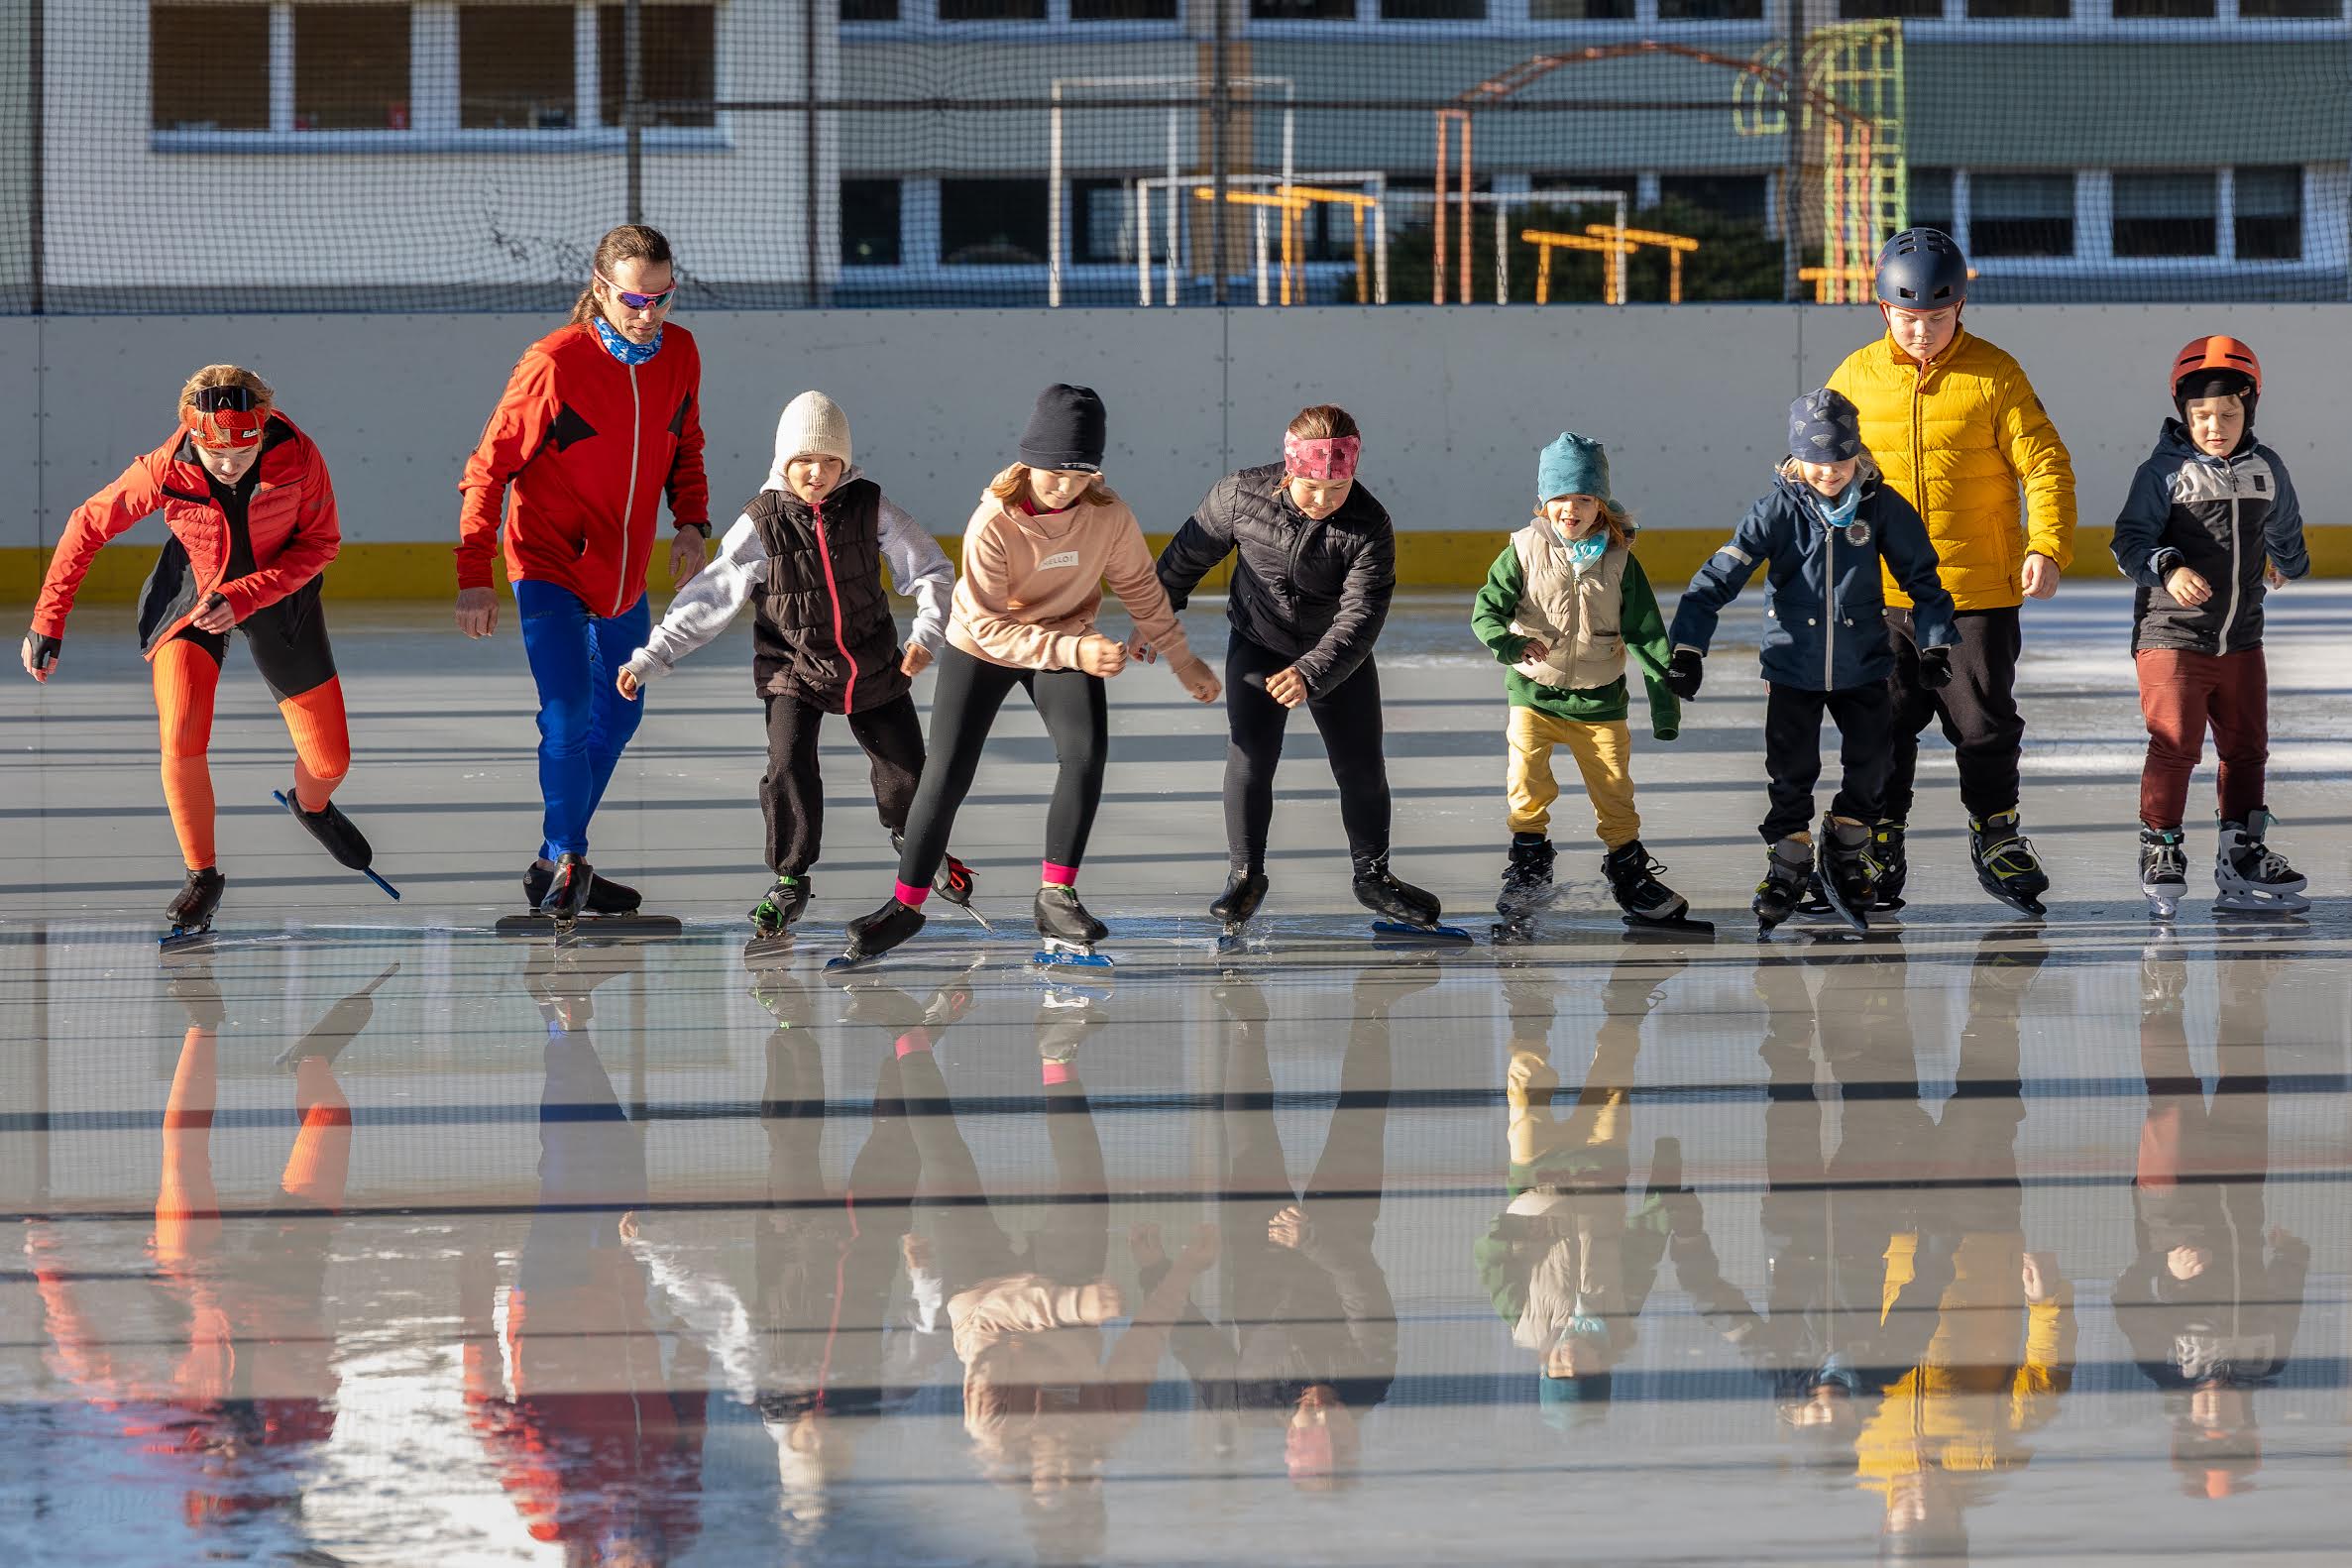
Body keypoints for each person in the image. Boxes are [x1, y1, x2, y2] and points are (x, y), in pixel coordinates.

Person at [840, 385, 1221, 965]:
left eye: (1079, 473)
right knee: (945, 774)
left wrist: (1181, 656)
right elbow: (990, 626)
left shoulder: (1108, 516)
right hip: (984, 645)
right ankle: (906, 905)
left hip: (1066, 637)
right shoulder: (994, 520)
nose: (1064, 485)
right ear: (1028, 461)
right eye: (1051, 471)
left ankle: (1057, 894)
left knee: (1085, 754)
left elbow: (1142, 587)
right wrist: (1074, 652)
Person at [22, 365, 371, 938]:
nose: (231, 464)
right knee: (181, 729)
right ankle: (202, 876)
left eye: (245, 448)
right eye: (215, 454)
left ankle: (311, 807)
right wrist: (48, 619)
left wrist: (249, 593)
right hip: (192, 594)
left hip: (279, 594)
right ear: (193, 436)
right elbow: (87, 524)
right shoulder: (166, 465)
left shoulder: (300, 456)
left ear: (263, 428)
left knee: (329, 761)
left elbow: (322, 542)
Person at [616, 390, 977, 936]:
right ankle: (789, 877)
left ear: (846, 463)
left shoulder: (869, 506)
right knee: (787, 766)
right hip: (794, 666)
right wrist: (651, 656)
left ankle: (918, 844)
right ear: (784, 461)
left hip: (871, 660)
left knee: (907, 774)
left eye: (829, 460)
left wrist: (927, 631)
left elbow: (928, 567)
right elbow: (711, 596)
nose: (816, 472)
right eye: (804, 460)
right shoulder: (761, 521)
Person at [456, 222, 711, 922]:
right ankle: (569, 857)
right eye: (635, 299)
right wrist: (473, 571)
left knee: (621, 712)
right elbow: (487, 471)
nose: (649, 313)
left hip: (622, 577)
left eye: (663, 298)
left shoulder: (680, 353)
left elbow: (684, 443)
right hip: (547, 566)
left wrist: (691, 522)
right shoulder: (554, 363)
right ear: (601, 289)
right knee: (567, 713)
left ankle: (552, 864)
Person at [1827, 227, 2076, 915]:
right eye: (1908, 318)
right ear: (1883, 311)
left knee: (1983, 724)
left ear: (1960, 307)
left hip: (1974, 594)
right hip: (1878, 593)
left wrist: (2046, 544)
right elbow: (1821, 470)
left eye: (1937, 318)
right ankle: (1881, 837)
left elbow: (2044, 464)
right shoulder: (1852, 377)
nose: (1922, 332)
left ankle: (1995, 832)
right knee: (1882, 727)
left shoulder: (1994, 374)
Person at [1666, 390, 1960, 930]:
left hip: (1865, 664)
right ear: (1796, 458)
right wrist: (1688, 646)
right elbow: (1717, 579)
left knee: (1874, 763)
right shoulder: (1777, 508)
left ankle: (1848, 850)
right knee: (1790, 771)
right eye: (1817, 462)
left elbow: (1923, 578)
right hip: (1792, 668)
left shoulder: (1881, 506)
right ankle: (1789, 862)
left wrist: (1936, 643)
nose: (1829, 473)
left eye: (1841, 461)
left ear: (1858, 454)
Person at [1155, 405, 1444, 935]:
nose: (1325, 500)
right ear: (1289, 469)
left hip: (1336, 654)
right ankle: (1246, 875)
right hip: (1258, 641)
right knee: (1250, 754)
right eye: (1312, 487)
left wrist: (1312, 671)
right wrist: (1153, 617)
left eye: (1339, 488)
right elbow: (1185, 558)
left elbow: (1363, 613)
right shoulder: (1241, 495)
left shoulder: (1369, 522)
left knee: (1360, 765)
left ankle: (1373, 876)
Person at [2110, 336, 2309, 917]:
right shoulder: (2163, 471)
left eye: (2228, 413)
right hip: (2171, 636)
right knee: (2176, 746)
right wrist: (2168, 567)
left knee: (2247, 750)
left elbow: (2286, 531)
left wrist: (2289, 564)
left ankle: (2241, 852)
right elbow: (2129, 542)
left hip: (2242, 637)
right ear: (2182, 412)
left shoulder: (2268, 467)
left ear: (2250, 409)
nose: (2214, 425)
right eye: (2201, 415)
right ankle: (2162, 845)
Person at [1470, 432, 1687, 927]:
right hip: (1534, 696)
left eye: (1584, 499)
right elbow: (1486, 612)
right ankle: (1528, 863)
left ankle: (1629, 870)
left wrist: (1665, 706)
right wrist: (1508, 645)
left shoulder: (1620, 562)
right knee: (1525, 783)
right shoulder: (1522, 551)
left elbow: (1648, 636)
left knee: (1614, 790)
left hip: (1600, 701)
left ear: (1600, 504)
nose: (1572, 508)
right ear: (1544, 503)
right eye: (1561, 498)